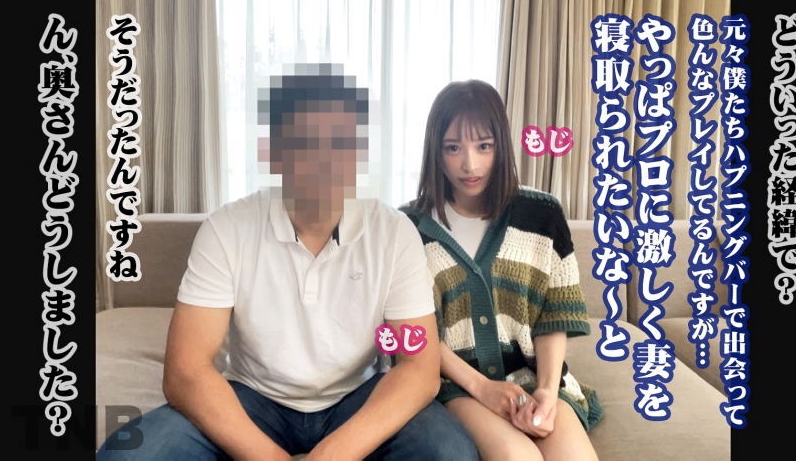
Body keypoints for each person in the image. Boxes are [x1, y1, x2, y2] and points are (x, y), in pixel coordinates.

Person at [97, 64, 479, 461]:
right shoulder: (227, 228)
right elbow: (185, 371)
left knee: (450, 453)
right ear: (274, 153)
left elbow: (419, 368)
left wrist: (334, 453)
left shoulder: (394, 232)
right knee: (128, 455)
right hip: (253, 397)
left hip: (356, 395)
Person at [400, 80, 603, 461]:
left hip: (533, 378)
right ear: (436, 152)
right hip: (456, 385)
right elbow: (415, 332)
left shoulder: (542, 214)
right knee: (517, 457)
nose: (470, 164)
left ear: (501, 146)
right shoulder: (407, 227)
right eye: (453, 148)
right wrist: (482, 388)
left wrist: (547, 391)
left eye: (484, 146)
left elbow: (553, 317)